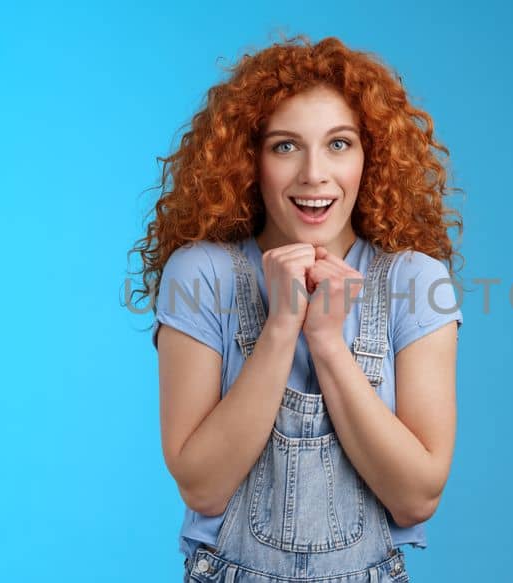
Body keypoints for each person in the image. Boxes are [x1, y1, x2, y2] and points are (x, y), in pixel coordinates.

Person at [130, 35, 463, 582]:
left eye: (339, 144)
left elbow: (416, 498)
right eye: (285, 146)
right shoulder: (202, 274)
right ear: (250, 161)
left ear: (369, 157)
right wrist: (283, 326)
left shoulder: (415, 280)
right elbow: (202, 486)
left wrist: (328, 343)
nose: (314, 174)